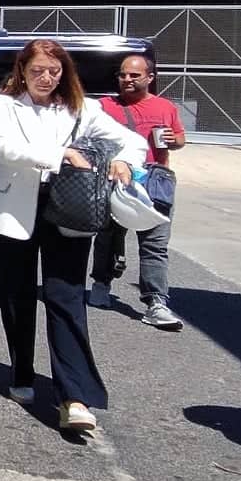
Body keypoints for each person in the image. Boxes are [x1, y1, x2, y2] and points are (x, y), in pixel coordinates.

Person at [0, 38, 145, 436]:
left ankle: (74, 397)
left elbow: (132, 141)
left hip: (70, 206)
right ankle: (21, 370)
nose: (46, 78)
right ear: (22, 71)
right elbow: (6, 149)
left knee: (66, 298)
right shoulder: (2, 105)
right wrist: (62, 154)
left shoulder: (82, 108)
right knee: (16, 297)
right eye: (37, 71)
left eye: (54, 71)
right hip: (12, 210)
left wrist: (123, 160)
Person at [88, 54, 186, 330]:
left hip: (155, 181)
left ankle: (156, 302)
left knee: (155, 243)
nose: (127, 80)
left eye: (134, 75)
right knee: (108, 236)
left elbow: (180, 139)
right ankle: (101, 283)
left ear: (150, 78)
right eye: (122, 75)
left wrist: (174, 140)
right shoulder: (104, 106)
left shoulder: (165, 107)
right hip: (115, 178)